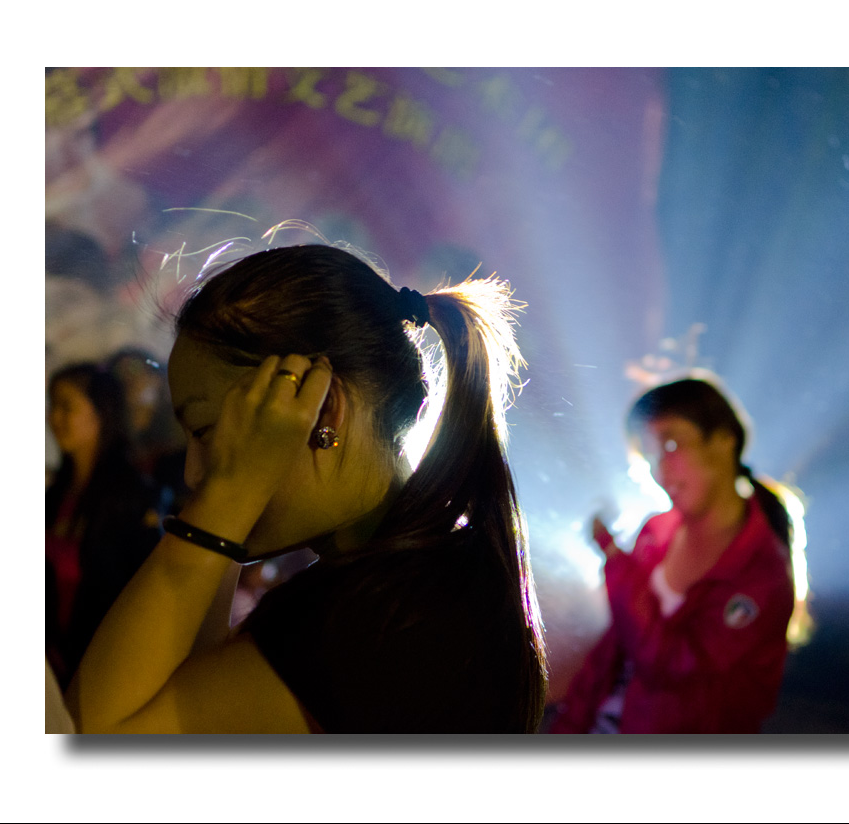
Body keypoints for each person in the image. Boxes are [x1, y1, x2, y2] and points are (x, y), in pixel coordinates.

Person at [67, 243, 547, 733]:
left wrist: (227, 498)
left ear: (322, 409)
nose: (193, 473)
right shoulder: (432, 578)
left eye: (210, 432)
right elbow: (179, 680)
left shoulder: (386, 617)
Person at [550, 375, 795, 733]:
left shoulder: (761, 574)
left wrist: (615, 558)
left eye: (671, 444)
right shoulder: (656, 531)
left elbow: (670, 666)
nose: (660, 470)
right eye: (649, 454)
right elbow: (612, 651)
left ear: (724, 440)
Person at [46, 363, 162, 687]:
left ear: (101, 412)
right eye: (52, 405)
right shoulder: (57, 492)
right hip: (53, 661)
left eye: (67, 406)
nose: (55, 417)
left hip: (96, 664)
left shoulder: (132, 496)